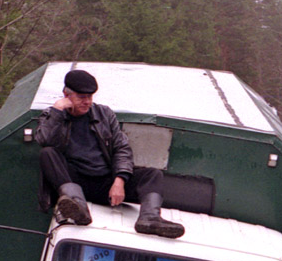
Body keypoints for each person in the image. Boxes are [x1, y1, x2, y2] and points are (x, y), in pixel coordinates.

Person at [35, 69, 185, 239]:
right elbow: (44, 140)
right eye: (81, 97)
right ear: (66, 95)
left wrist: (119, 180)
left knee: (153, 174)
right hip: (74, 181)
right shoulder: (52, 114)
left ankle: (150, 218)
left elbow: (122, 148)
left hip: (106, 182)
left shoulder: (104, 114)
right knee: (47, 153)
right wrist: (58, 111)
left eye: (90, 97)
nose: (87, 102)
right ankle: (78, 208)